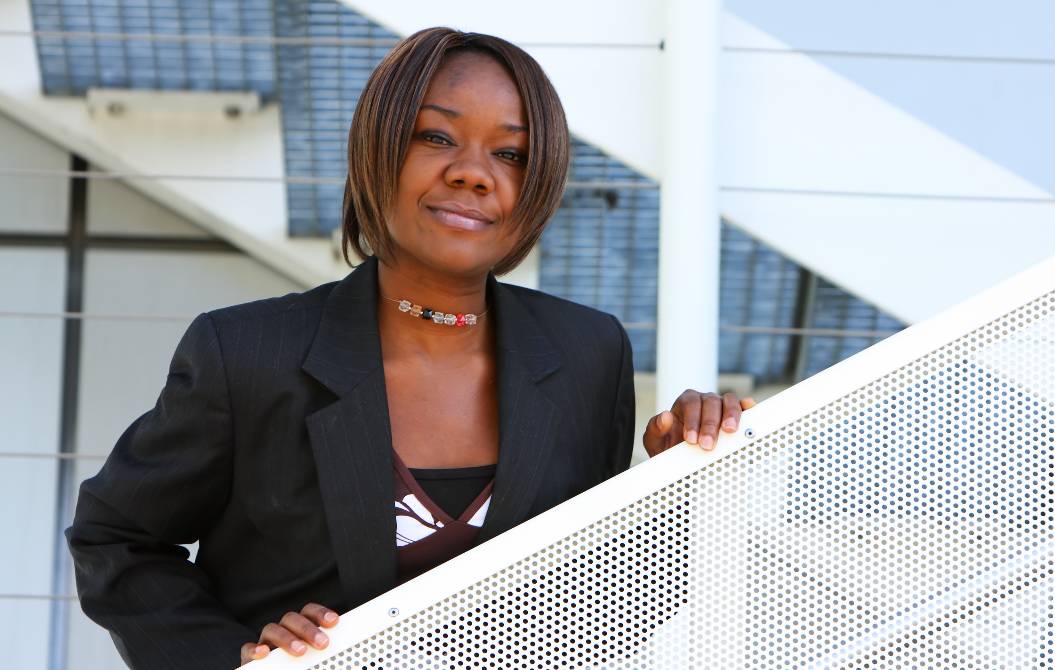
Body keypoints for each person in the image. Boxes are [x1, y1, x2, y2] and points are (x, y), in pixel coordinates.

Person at [67, 27, 753, 670]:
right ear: (380, 149)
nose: (473, 173)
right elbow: (117, 539)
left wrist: (682, 485)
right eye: (436, 137)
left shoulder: (587, 354)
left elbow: (601, 610)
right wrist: (239, 657)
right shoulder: (248, 353)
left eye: (510, 153)